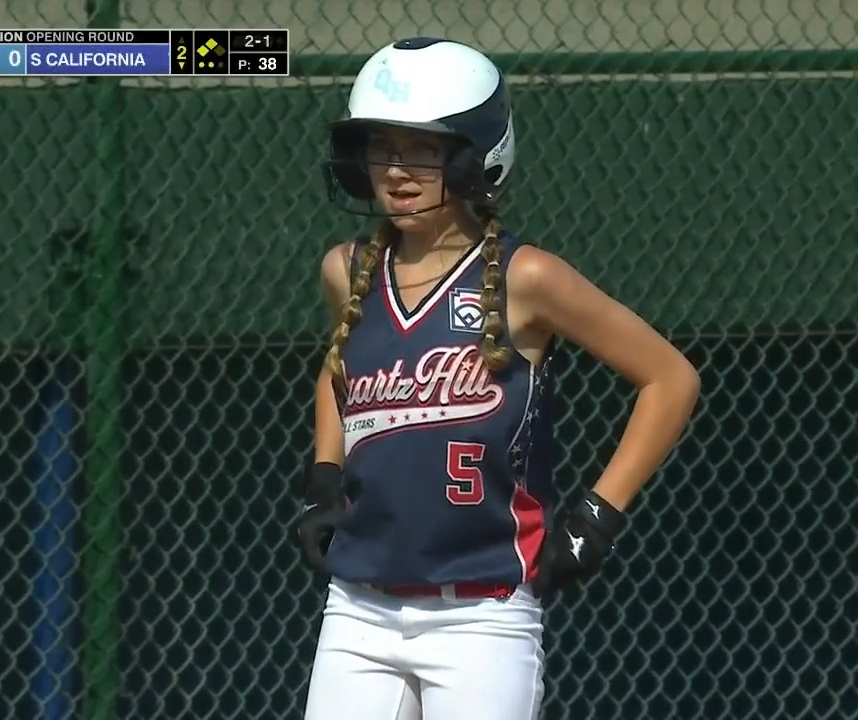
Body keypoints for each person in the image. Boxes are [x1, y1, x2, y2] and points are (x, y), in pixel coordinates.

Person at [294, 37, 700, 720]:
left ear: (478, 154)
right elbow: (341, 366)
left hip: (480, 614)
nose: (397, 169)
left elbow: (670, 378)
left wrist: (598, 515)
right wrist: (324, 476)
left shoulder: (527, 277)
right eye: (382, 148)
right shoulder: (346, 267)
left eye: (424, 149)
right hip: (358, 606)